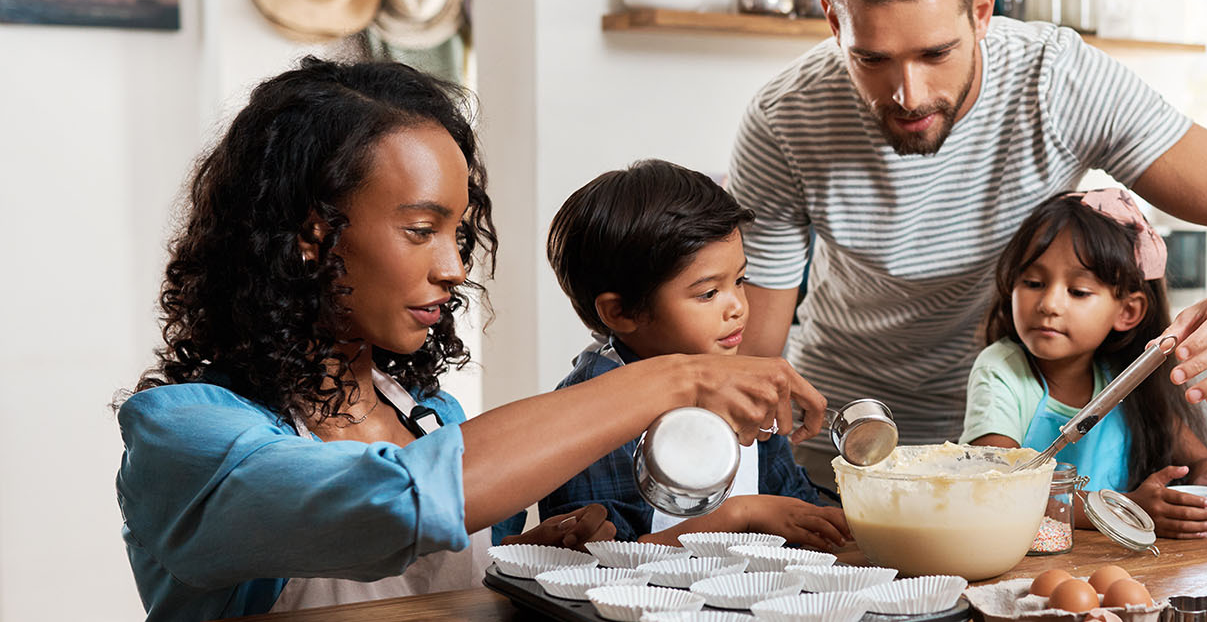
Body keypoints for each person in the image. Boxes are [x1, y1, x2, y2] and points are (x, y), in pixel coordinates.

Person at [114, 58, 822, 621]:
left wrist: (528, 558)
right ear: (311, 236)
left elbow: (447, 571)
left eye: (458, 233)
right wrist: (678, 379)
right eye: (421, 230)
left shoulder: (431, 417)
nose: (454, 268)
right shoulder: (185, 443)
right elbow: (394, 503)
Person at [727, 0, 1207, 486]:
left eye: (936, 54)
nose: (907, 95)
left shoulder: (1058, 82)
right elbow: (755, 353)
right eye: (872, 59)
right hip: (846, 450)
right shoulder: (786, 120)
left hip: (1020, 452)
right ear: (834, 22)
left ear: (982, 11)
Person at [492, 160, 849, 549]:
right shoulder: (590, 412)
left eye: (740, 280)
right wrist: (740, 515)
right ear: (622, 312)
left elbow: (794, 504)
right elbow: (602, 558)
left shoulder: (745, 384)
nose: (738, 307)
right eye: (709, 293)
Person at [962, 190, 1207, 538]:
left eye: (1078, 291)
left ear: (1128, 311)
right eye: (1033, 283)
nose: (1049, 304)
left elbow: (1196, 458)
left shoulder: (1125, 378)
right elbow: (1000, 483)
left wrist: (1206, 481)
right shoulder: (1002, 371)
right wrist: (1125, 509)